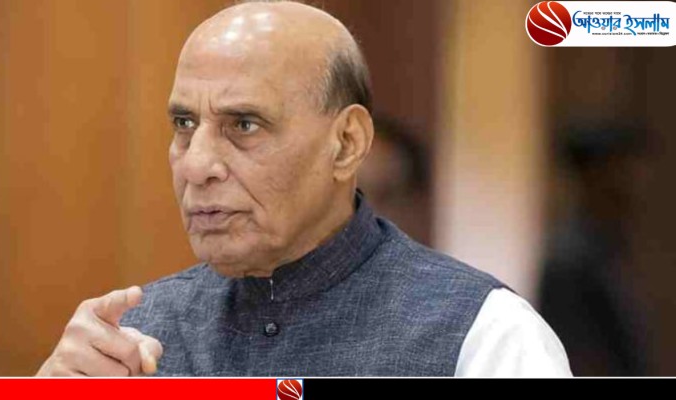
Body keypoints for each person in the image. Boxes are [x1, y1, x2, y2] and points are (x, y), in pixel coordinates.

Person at [37, 1, 571, 377]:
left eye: (244, 124)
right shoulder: (129, 340)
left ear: (346, 144)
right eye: (184, 124)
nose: (196, 165)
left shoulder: (484, 337)